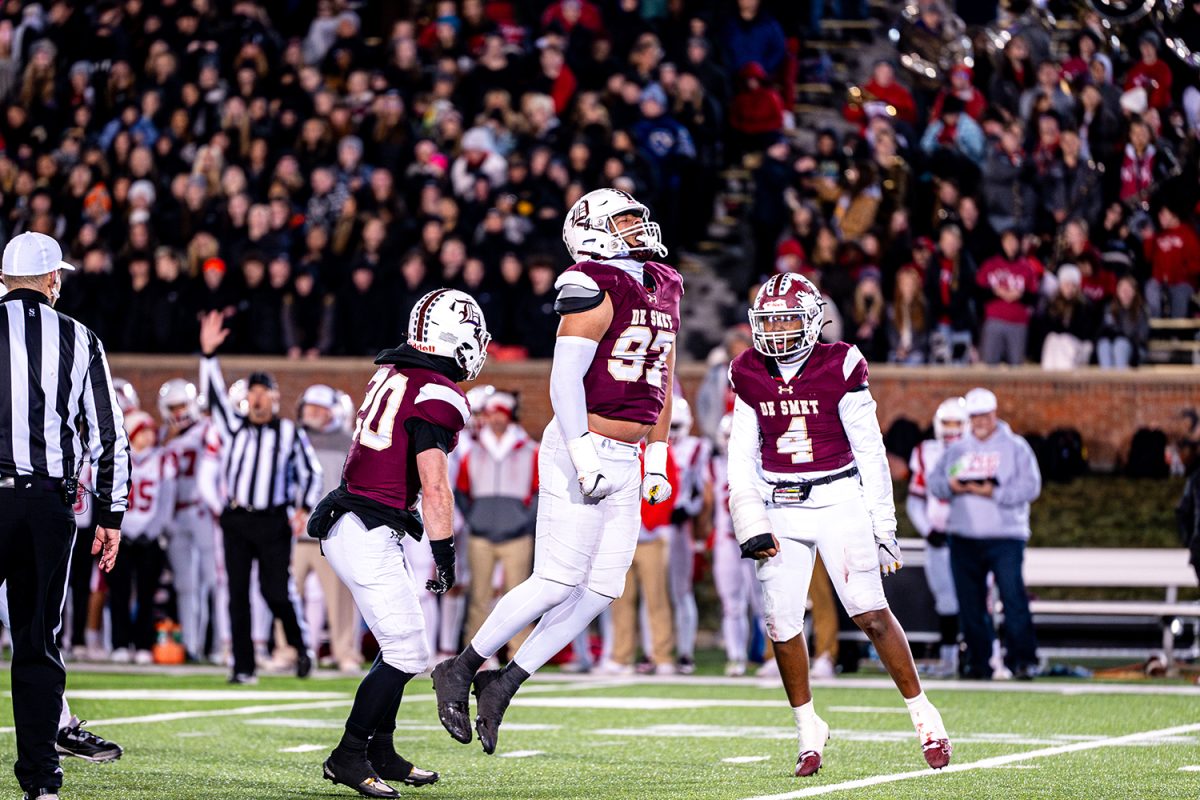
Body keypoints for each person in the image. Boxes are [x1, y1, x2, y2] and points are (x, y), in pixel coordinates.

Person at [433, 187, 683, 756]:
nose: (638, 229)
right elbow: (563, 382)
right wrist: (584, 454)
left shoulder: (665, 283)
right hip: (582, 443)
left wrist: (658, 456)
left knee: (601, 590)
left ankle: (503, 683)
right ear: (592, 230)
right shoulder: (589, 280)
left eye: (637, 219)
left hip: (627, 453)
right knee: (556, 580)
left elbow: (664, 376)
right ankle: (461, 667)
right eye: (623, 221)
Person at [727, 273, 951, 777]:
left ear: (812, 321)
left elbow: (871, 451)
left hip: (838, 497)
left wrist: (883, 525)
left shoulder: (841, 362)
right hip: (780, 500)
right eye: (770, 320)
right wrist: (750, 518)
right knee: (782, 623)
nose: (779, 329)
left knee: (869, 612)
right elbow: (740, 457)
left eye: (787, 317)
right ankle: (808, 727)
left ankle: (924, 715)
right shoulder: (747, 370)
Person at [313, 288, 491, 798]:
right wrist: (445, 553)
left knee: (403, 642)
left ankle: (381, 751)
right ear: (452, 338)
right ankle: (348, 756)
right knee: (409, 650)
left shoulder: (394, 373)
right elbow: (434, 487)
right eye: (472, 335)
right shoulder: (434, 392)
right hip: (365, 531)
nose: (477, 346)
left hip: (361, 524)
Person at [0, 231, 129, 800]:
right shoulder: (79, 338)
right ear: (53, 279)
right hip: (46, 506)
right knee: (35, 640)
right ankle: (40, 782)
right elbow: (109, 439)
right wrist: (111, 514)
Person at [198, 312, 323, 684]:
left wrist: (303, 506)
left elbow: (311, 472)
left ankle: (302, 647)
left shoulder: (288, 432)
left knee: (274, 592)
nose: (256, 398)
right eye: (251, 391)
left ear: (274, 396)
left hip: (272, 519)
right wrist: (207, 357)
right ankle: (243, 666)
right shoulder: (232, 427)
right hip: (237, 517)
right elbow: (215, 397)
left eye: (262, 391)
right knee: (237, 594)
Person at [928, 388, 1042, 681]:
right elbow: (935, 482)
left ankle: (1023, 660)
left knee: (1013, 597)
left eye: (984, 416)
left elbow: (1031, 487)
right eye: (974, 417)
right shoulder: (957, 450)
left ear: (994, 414)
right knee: (970, 603)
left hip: (1005, 536)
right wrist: (953, 486)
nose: (979, 422)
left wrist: (996, 492)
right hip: (964, 536)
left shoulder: (1016, 447)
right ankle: (979, 662)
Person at [459, 390, 539, 652]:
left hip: (517, 535)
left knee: (518, 598)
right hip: (481, 534)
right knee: (479, 597)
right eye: (491, 414)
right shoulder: (474, 451)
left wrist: (525, 521)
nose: (495, 420)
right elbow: (461, 490)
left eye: (499, 415)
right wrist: (474, 518)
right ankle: (476, 653)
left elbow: (540, 491)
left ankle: (518, 651)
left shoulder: (528, 450)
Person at [293, 385, 363, 673]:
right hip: (297, 532)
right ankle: (289, 650)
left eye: (319, 408)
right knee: (288, 596)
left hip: (331, 534)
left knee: (340, 599)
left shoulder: (349, 442)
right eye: (310, 407)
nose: (312, 413)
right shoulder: (295, 439)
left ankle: (345, 651)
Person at [907, 398, 968, 677]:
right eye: (947, 423)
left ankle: (985, 656)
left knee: (981, 600)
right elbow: (915, 500)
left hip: (971, 536)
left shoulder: (978, 452)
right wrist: (928, 530)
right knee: (946, 600)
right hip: (939, 537)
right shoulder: (926, 452)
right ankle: (949, 659)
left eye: (957, 423)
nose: (952, 429)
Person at [158, 379, 218, 663]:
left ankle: (221, 645)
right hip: (175, 515)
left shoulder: (208, 428)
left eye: (183, 405)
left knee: (214, 581)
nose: (179, 411)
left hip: (203, 511)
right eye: (173, 407)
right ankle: (191, 647)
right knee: (185, 585)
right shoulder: (162, 437)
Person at [107, 411, 174, 665]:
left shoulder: (162, 459)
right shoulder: (119, 457)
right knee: (119, 592)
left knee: (148, 594)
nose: (149, 435)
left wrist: (156, 529)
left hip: (150, 536)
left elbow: (167, 499)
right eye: (143, 430)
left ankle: (144, 643)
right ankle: (120, 643)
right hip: (121, 535)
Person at [710, 413, 763, 676]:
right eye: (728, 436)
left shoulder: (760, 464)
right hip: (726, 541)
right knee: (732, 603)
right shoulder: (712, 465)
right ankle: (736, 656)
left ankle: (774, 657)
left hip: (754, 537)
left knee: (764, 602)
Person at [665, 398, 711, 674]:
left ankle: (684, 652)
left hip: (680, 525)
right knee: (655, 594)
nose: (671, 432)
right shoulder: (650, 446)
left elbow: (702, 490)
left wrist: (690, 511)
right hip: (651, 525)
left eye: (677, 426)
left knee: (681, 592)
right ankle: (653, 651)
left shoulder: (697, 448)